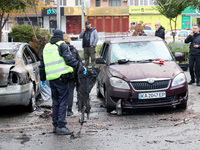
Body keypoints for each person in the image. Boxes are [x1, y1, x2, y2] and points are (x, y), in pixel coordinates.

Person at [39, 29, 86, 135]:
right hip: (62, 78)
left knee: (55, 102)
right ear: (61, 36)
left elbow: (42, 65)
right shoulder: (62, 45)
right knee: (62, 102)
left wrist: (42, 79)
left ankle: (55, 125)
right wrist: (81, 67)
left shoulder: (46, 47)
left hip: (52, 79)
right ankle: (61, 126)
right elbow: (68, 60)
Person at [63, 34, 82, 116]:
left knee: (62, 92)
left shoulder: (58, 49)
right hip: (72, 73)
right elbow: (79, 61)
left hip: (61, 74)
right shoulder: (73, 49)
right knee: (70, 91)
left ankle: (61, 109)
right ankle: (69, 110)